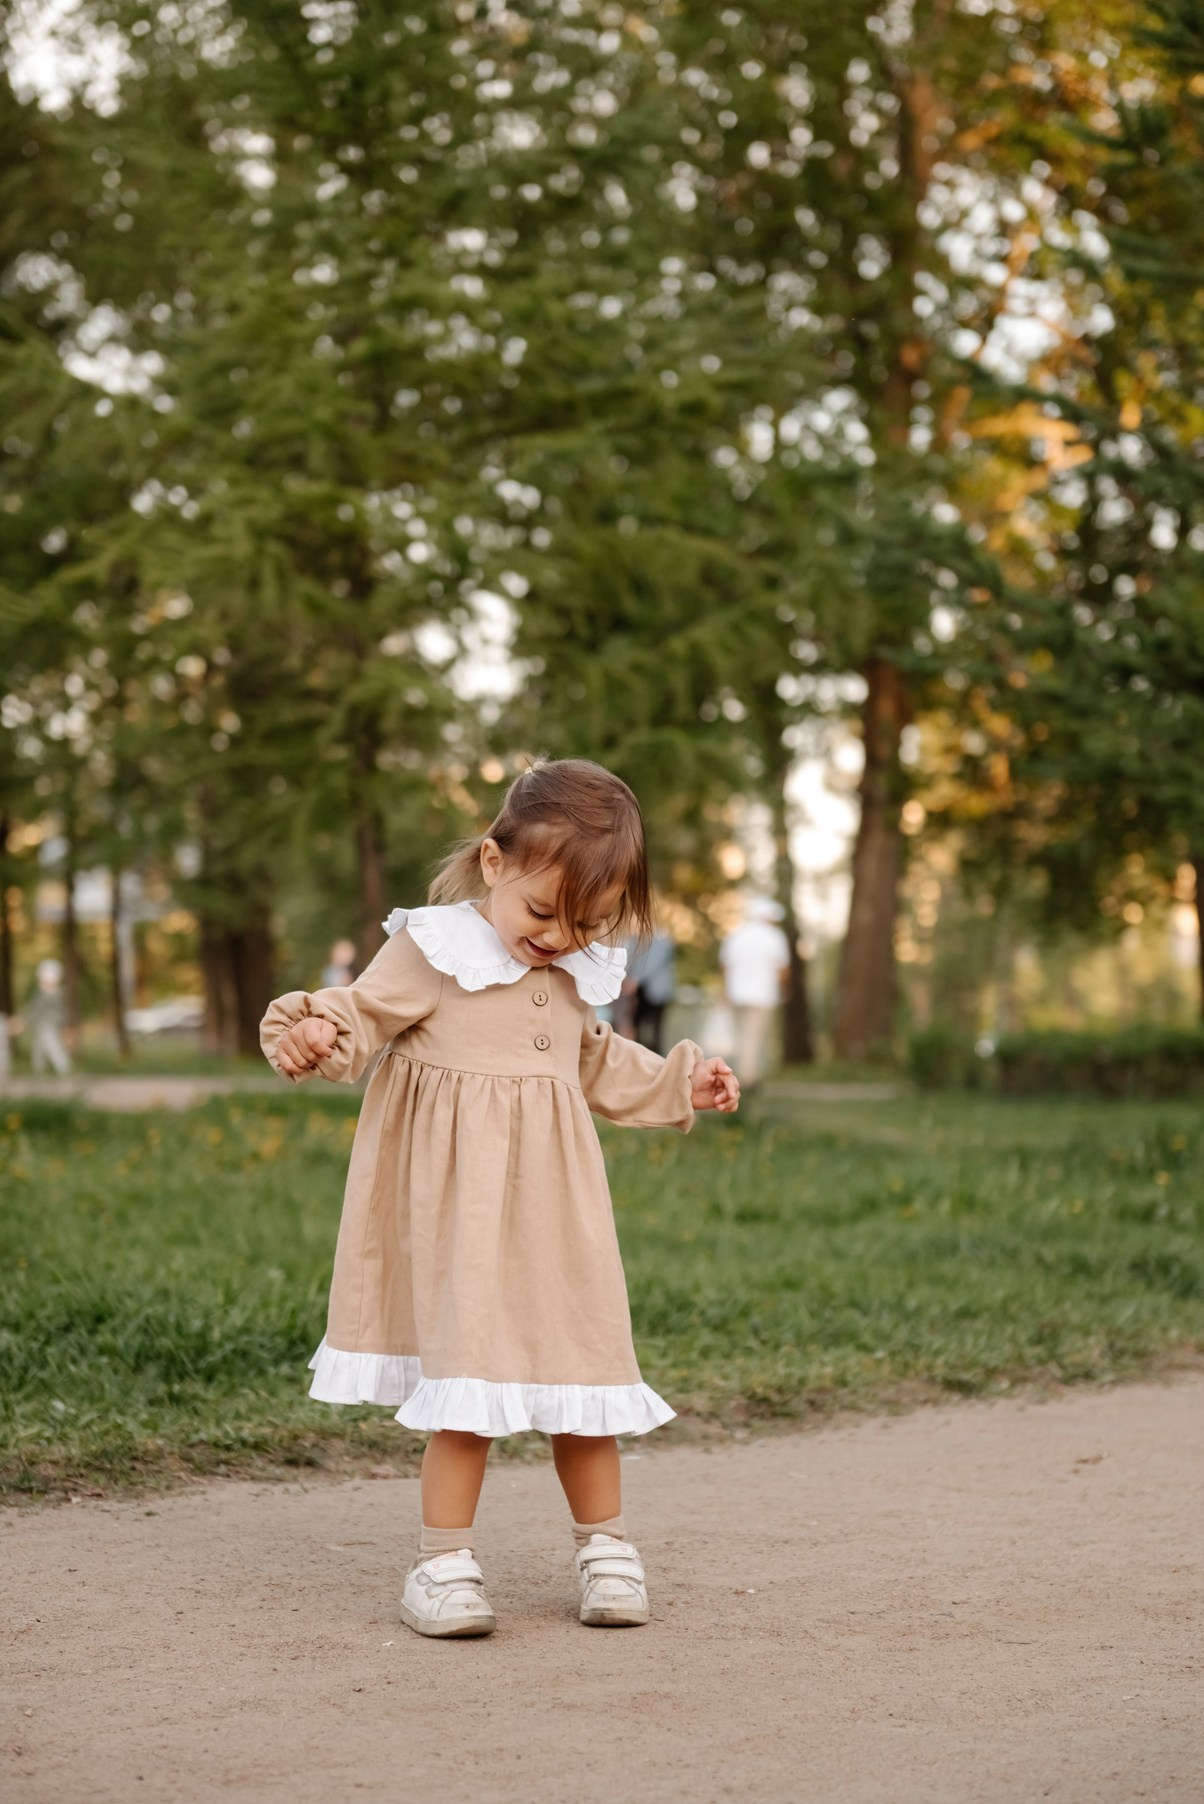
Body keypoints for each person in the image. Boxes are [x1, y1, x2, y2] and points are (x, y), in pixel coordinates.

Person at [261, 759, 739, 1640]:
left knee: (584, 1371)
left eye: (587, 922)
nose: (560, 938)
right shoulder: (434, 948)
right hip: (463, 1218)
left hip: (558, 1217)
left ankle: (605, 1548)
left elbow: (596, 1059)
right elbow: (362, 1012)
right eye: (544, 912)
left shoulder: (571, 969)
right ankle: (443, 1563)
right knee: (467, 1383)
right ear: (493, 862)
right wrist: (314, 1029)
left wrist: (683, 1083)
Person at [719, 896, 791, 1089]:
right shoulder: (775, 937)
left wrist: (726, 989)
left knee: (740, 1035)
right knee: (752, 1037)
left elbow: (726, 965)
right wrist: (784, 989)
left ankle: (736, 1073)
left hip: (736, 993)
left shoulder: (736, 935)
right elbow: (783, 968)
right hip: (763, 995)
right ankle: (747, 1078)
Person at [623, 927, 676, 1057]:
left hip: (657, 992)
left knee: (656, 1029)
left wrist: (635, 979)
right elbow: (628, 959)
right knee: (637, 1026)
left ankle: (657, 1059)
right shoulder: (634, 939)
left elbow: (654, 962)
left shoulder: (662, 940)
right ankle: (640, 1057)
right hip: (639, 993)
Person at [26, 958, 72, 1076]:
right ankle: (38, 1070)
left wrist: (26, 1020)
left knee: (52, 1045)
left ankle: (63, 1068)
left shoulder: (52, 994)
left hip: (49, 1024)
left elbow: (37, 1008)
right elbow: (35, 1008)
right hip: (43, 1023)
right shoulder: (49, 993)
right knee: (39, 1046)